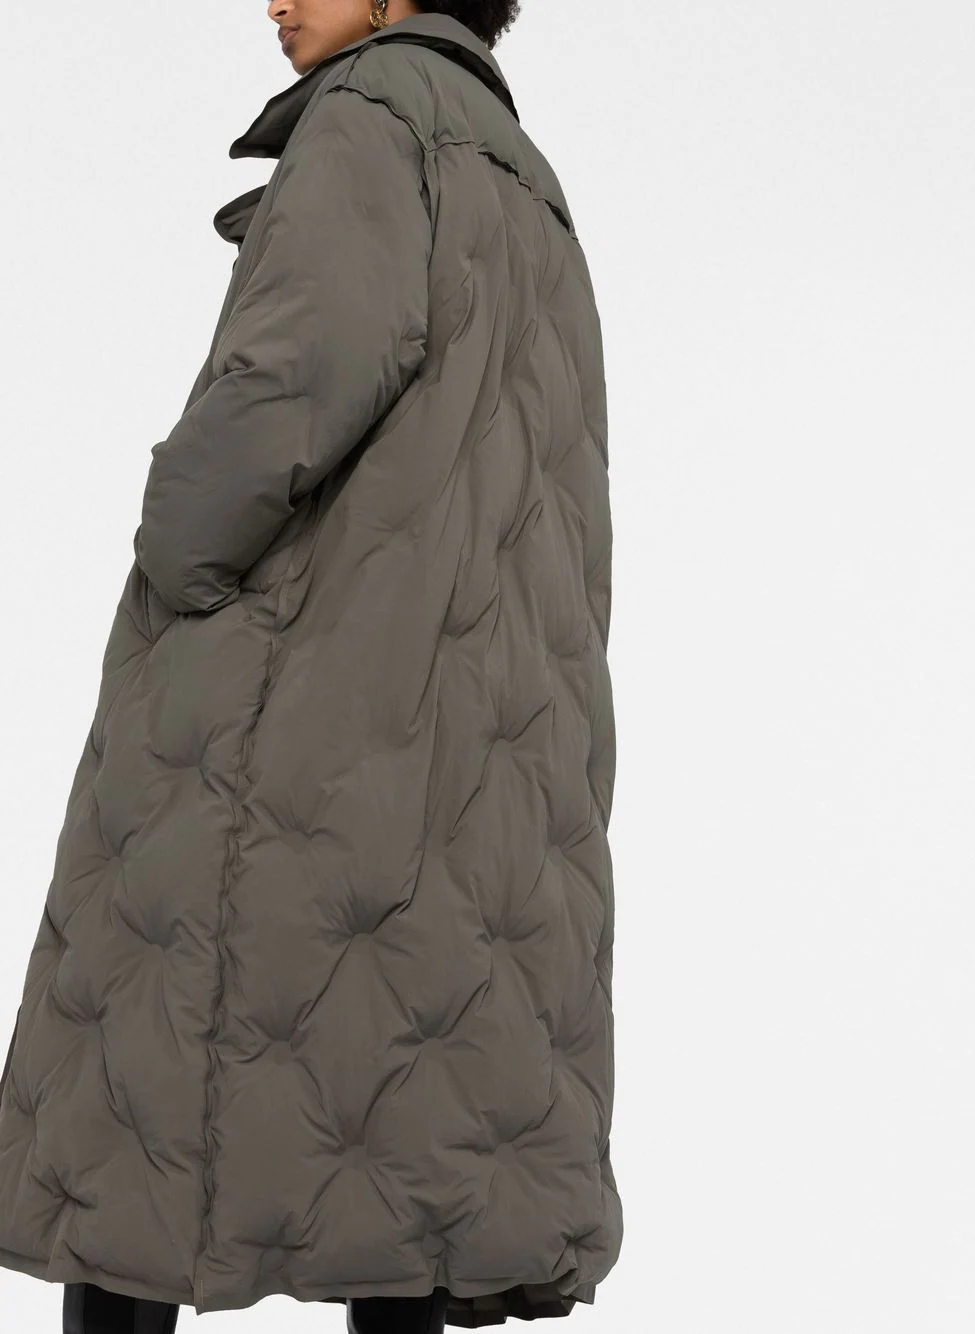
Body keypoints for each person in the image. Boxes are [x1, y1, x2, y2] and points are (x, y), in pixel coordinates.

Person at [0, 3, 622, 1331]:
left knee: (147, 1119)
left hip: (291, 728)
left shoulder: (368, 119)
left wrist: (178, 544)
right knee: (404, 1150)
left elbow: (287, 382)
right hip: (465, 748)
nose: (273, 0)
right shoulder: (528, 181)